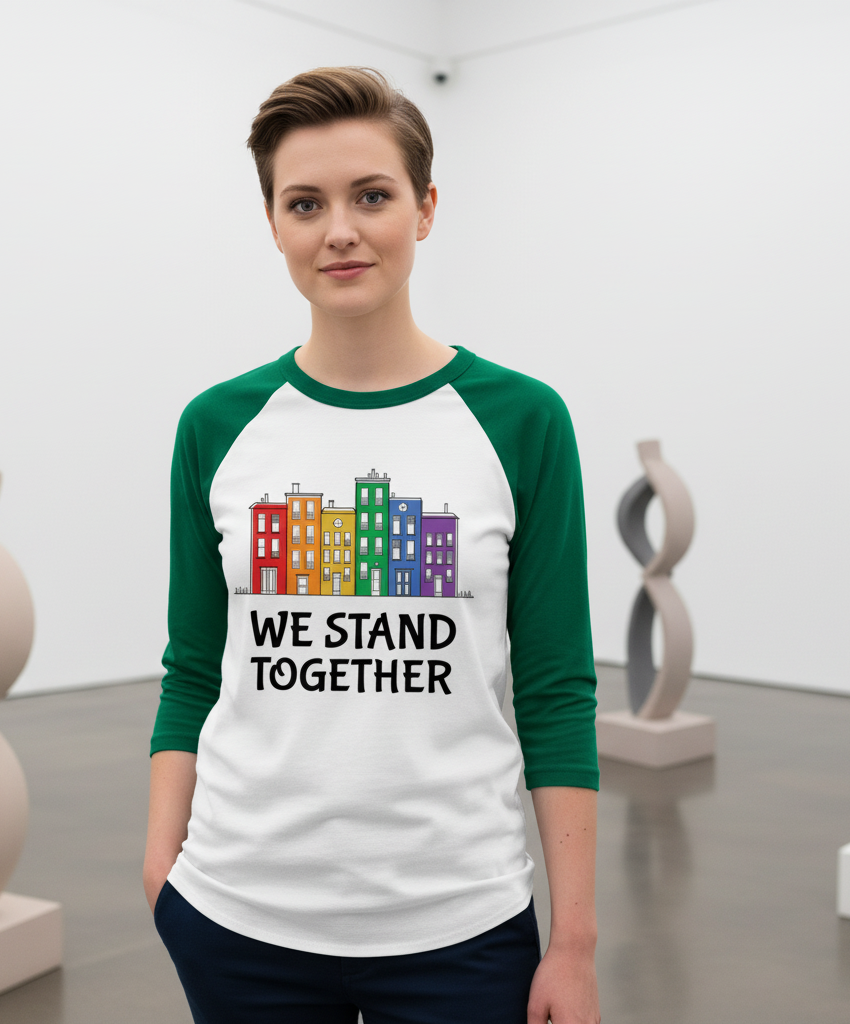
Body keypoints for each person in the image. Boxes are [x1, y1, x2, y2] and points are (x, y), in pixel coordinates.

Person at [143, 66, 601, 1024]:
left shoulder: (522, 422)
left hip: (462, 928)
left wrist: (574, 941)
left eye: (372, 196)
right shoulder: (216, 426)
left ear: (425, 210)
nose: (338, 229)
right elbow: (193, 669)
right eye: (304, 202)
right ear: (272, 222)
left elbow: (557, 687)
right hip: (238, 917)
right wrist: (162, 866)